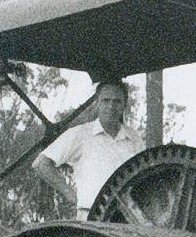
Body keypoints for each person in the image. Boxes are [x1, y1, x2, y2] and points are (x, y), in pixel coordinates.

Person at [32, 79, 144, 216]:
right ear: (97, 104)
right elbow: (41, 163)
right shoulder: (81, 134)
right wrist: (70, 195)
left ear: (124, 105)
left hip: (127, 217)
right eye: (106, 100)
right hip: (90, 216)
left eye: (117, 101)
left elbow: (143, 175)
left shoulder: (134, 138)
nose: (111, 106)